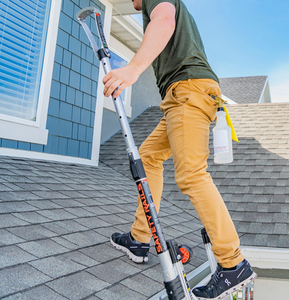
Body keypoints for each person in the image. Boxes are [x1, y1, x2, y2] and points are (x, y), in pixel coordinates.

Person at [102, 0, 256, 298]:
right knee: (148, 157)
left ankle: (233, 263)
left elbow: (165, 21)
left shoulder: (154, 2)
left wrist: (132, 69)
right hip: (181, 96)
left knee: (192, 175)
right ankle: (139, 238)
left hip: (188, 92)